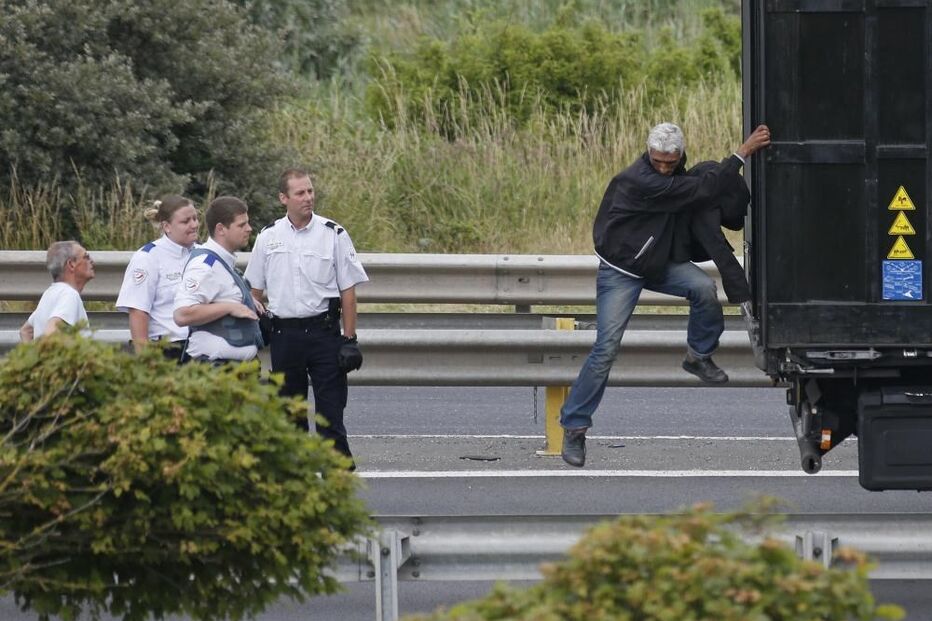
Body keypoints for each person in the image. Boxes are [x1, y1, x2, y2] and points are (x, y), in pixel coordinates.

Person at [560, 122, 772, 467]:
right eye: (657, 160)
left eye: (669, 163)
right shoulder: (641, 180)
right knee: (606, 349)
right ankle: (574, 427)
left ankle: (698, 356)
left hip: (657, 262)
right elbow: (705, 188)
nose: (662, 167)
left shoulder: (674, 175)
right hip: (622, 269)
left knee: (703, 288)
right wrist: (742, 152)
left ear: (679, 155)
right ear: (648, 153)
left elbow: (702, 188)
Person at [245, 168, 368, 463]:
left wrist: (349, 339)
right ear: (283, 198)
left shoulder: (333, 234)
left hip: (323, 334)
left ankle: (336, 479)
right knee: (289, 415)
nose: (308, 197)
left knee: (331, 414)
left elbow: (348, 291)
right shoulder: (268, 236)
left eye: (310, 191)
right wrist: (254, 332)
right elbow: (254, 292)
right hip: (284, 336)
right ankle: (296, 480)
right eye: (300, 193)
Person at [173, 196, 262, 364]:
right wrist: (230, 307)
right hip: (215, 369)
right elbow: (182, 314)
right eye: (242, 225)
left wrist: (248, 301)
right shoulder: (205, 266)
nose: (249, 229)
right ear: (221, 229)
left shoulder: (224, 263)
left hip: (236, 369)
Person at [116, 195, 200, 359]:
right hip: (168, 349)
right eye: (185, 221)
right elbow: (138, 311)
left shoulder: (203, 254)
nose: (194, 225)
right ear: (166, 226)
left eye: (195, 218)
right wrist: (145, 359)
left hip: (202, 349)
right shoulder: (148, 257)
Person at [20, 241, 96, 341]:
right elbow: (50, 334)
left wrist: (34, 351)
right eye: (86, 257)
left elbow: (26, 331)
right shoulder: (69, 295)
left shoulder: (49, 294)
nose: (92, 261)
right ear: (71, 264)